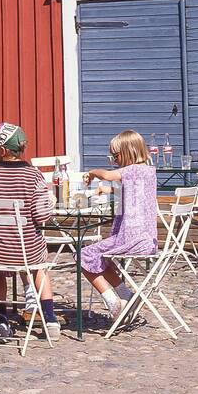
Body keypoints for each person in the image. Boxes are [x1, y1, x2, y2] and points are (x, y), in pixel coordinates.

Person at [0, 123, 60, 340]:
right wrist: (51, 203)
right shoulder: (34, 176)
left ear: (2, 151)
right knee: (40, 267)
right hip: (27, 251)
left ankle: (1, 319)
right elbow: (41, 217)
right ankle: (50, 319)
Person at [80, 129, 158, 322]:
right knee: (99, 257)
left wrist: (91, 172)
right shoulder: (148, 171)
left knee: (83, 255)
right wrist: (105, 189)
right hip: (147, 240)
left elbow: (106, 175)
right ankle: (126, 295)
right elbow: (132, 192)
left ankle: (112, 301)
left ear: (129, 151)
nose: (114, 160)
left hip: (131, 239)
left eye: (115, 155)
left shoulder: (130, 170)